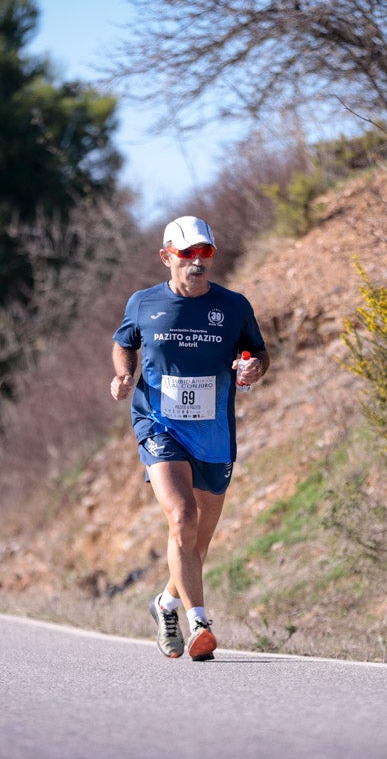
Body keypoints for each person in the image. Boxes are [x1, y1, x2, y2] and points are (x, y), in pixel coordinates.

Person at [110, 215, 270, 661]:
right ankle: (199, 623)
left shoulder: (234, 305)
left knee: (197, 541)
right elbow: (124, 342)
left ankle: (165, 603)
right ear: (166, 257)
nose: (197, 262)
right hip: (159, 424)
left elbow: (258, 352)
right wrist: (123, 374)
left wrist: (255, 367)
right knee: (182, 516)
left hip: (214, 430)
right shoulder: (144, 303)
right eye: (187, 254)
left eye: (206, 253)